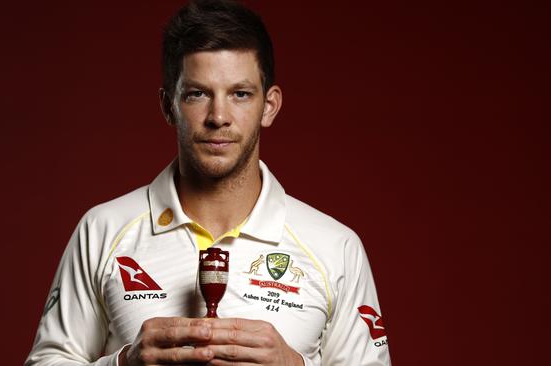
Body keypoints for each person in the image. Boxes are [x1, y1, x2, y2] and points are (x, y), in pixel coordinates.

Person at [25, 1, 391, 365]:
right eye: (197, 94)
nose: (218, 117)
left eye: (240, 94)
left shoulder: (334, 247)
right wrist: (124, 363)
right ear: (169, 105)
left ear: (269, 106)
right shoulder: (103, 230)